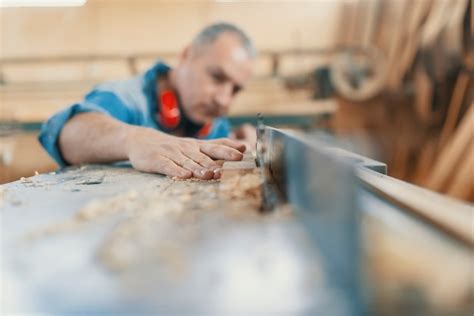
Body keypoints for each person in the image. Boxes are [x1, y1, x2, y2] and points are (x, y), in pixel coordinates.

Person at [39, 22, 257, 180]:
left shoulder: (215, 122)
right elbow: (67, 133)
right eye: (217, 77)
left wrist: (241, 146)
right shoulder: (125, 97)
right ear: (187, 55)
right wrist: (134, 139)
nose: (223, 99)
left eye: (235, 90)